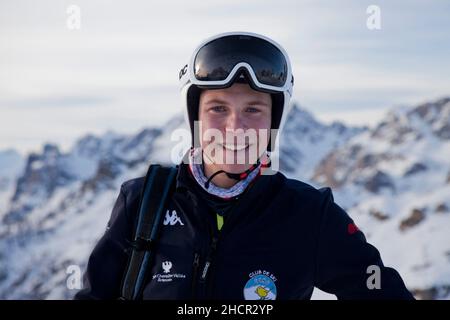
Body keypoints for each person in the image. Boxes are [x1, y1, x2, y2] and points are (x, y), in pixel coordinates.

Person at [75, 31, 414, 300]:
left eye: (253, 110)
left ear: (273, 122)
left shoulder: (310, 215)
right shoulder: (144, 202)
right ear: (194, 117)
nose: (235, 129)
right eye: (218, 109)